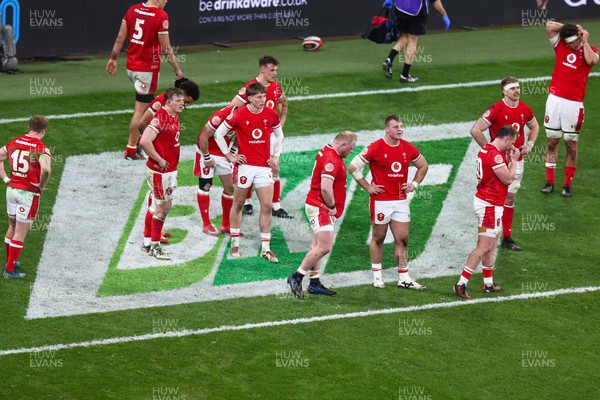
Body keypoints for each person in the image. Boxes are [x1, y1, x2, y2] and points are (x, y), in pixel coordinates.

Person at [348, 115, 428, 290]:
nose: (400, 129)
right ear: (387, 129)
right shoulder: (376, 148)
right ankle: (377, 276)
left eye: (401, 126)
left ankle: (404, 277)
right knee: (379, 238)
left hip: (400, 201)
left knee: (402, 239)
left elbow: (423, 165)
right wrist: (368, 187)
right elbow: (353, 167)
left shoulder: (408, 148)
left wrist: (414, 184)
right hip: (381, 201)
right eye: (396, 127)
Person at [106, 0, 184, 161]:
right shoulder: (160, 15)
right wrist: (176, 68)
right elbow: (166, 47)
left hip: (132, 68)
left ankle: (137, 144)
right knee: (141, 111)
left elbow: (121, 37)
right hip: (146, 70)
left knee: (143, 108)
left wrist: (113, 58)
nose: (166, 1)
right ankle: (132, 148)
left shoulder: (133, 10)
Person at [214, 82, 284, 263]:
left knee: (267, 206)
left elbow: (279, 135)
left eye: (264, 96)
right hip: (244, 167)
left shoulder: (271, 114)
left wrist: (275, 156)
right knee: (237, 204)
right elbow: (218, 134)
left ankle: (266, 249)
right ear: (250, 98)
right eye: (259, 97)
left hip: (263, 166)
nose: (263, 100)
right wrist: (230, 156)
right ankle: (235, 243)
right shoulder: (239, 114)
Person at [470, 77, 539, 251]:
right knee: (494, 197)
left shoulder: (525, 109)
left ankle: (507, 237)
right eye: (513, 88)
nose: (517, 91)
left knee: (510, 197)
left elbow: (535, 127)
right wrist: (491, 150)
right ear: (504, 91)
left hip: (517, 161)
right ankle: (487, 235)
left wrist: (529, 144)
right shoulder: (496, 109)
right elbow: (475, 130)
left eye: (518, 87)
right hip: (498, 164)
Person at [287, 131, 357, 298]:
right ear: (342, 145)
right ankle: (296, 276)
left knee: (316, 246)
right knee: (325, 246)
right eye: (351, 148)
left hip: (317, 205)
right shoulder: (332, 160)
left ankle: (315, 282)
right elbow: (325, 187)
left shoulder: (327, 152)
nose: (351, 151)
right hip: (321, 207)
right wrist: (332, 206)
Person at [454, 126, 520, 300]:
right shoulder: (495, 154)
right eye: (511, 143)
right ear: (506, 139)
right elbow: (507, 179)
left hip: (489, 203)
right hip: (489, 206)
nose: (512, 147)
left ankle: (488, 283)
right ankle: (461, 283)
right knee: (484, 246)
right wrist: (514, 161)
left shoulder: (486, 149)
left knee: (491, 244)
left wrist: (507, 158)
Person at [540, 21, 598, 197]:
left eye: (574, 41)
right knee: (552, 142)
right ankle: (549, 181)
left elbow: (592, 61)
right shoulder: (561, 45)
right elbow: (549, 26)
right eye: (569, 41)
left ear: (580, 38)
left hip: (573, 105)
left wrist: (585, 40)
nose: (572, 45)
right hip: (555, 101)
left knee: (571, 145)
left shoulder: (590, 49)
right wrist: (570, 27)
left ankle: (567, 184)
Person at [230, 55, 291, 218]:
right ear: (262, 69)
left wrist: (281, 122)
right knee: (249, 166)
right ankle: (248, 202)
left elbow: (284, 102)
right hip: (251, 138)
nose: (275, 73)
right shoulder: (250, 88)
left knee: (273, 167)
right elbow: (232, 109)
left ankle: (276, 205)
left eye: (276, 70)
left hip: (269, 137)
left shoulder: (276, 87)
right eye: (272, 70)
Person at [139, 79, 200, 245]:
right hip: (157, 158)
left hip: (165, 159)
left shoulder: (173, 110)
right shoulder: (162, 106)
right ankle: (151, 237)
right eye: (183, 101)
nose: (184, 105)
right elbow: (143, 123)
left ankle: (154, 230)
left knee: (158, 199)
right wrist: (155, 151)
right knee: (159, 201)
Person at [0, 115, 52, 279]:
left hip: (12, 190)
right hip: (27, 194)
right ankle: (9, 270)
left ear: (29, 126)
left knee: (12, 227)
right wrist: (41, 185)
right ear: (43, 131)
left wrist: (5, 178)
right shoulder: (41, 149)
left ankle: (11, 261)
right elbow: (46, 170)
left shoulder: (14, 143)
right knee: (21, 232)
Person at [139, 87, 184, 260]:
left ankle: (147, 242)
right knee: (163, 207)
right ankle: (155, 247)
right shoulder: (161, 118)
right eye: (178, 100)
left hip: (167, 170)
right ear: (168, 102)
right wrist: (159, 159)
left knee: (155, 205)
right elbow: (144, 140)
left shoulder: (173, 115)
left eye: (182, 100)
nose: (181, 103)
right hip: (160, 172)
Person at [195, 104, 239, 236]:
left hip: (223, 152)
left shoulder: (250, 116)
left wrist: (231, 153)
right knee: (206, 186)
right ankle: (206, 224)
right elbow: (203, 135)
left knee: (230, 187)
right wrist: (207, 157)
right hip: (207, 150)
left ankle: (226, 224)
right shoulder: (221, 116)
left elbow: (241, 137)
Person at [382, 0, 450, 82]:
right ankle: (405, 75)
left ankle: (389, 59)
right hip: (416, 12)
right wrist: (444, 15)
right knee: (413, 41)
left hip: (400, 9)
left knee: (405, 36)